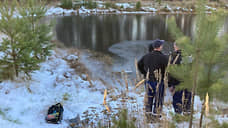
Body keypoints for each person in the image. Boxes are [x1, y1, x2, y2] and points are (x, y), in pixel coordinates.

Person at [138, 39, 168, 117]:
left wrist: (144, 73)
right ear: (160, 47)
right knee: (159, 99)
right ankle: (156, 117)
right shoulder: (164, 57)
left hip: (148, 81)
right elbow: (169, 69)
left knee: (149, 98)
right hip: (159, 81)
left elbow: (139, 64)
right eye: (162, 45)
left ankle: (148, 117)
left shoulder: (146, 56)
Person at [168, 43, 192, 114]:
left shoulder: (173, 56)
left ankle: (178, 113)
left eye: (174, 46)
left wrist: (170, 84)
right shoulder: (188, 56)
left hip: (177, 81)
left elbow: (171, 72)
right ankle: (187, 112)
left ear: (176, 47)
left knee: (177, 99)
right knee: (187, 98)